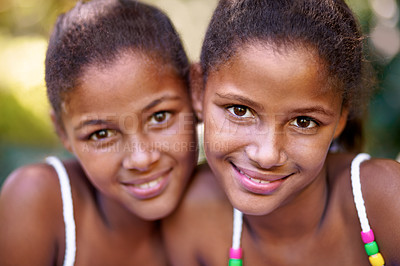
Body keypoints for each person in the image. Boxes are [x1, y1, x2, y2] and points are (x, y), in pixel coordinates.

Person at [162, 0, 400, 265]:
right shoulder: (194, 215)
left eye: (303, 122)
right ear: (198, 89)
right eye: (240, 111)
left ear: (341, 117)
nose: (266, 155)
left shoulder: (385, 201)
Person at [0, 0, 198, 265]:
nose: (141, 159)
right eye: (101, 134)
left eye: (159, 117)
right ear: (63, 133)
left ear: (196, 93)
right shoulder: (40, 200)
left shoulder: (225, 211)